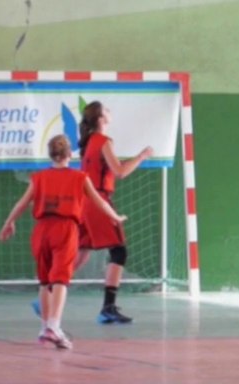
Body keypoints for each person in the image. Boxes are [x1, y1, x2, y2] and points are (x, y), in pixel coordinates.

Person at [0, 135, 127, 350]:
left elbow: (21, 203)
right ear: (70, 154)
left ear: (50, 154)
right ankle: (54, 326)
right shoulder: (80, 178)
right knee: (60, 280)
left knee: (44, 281)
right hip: (65, 230)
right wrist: (115, 217)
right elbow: (99, 202)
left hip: (41, 231)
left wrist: (8, 223)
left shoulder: (38, 177)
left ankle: (44, 328)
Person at [74, 101, 152, 324]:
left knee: (82, 252)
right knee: (119, 252)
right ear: (100, 119)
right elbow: (120, 172)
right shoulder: (102, 141)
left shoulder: (88, 142)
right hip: (98, 200)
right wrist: (141, 156)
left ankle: (49, 292)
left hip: (86, 201)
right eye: (106, 110)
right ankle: (108, 307)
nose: (110, 112)